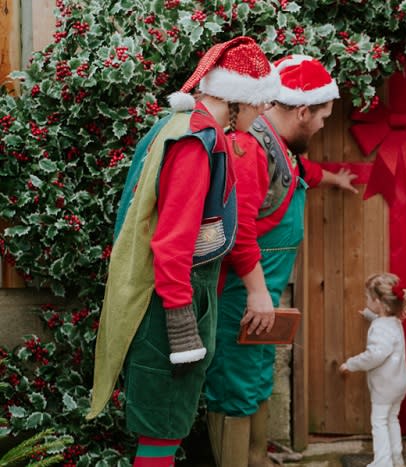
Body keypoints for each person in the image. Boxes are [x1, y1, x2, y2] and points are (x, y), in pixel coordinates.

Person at [86, 36, 275, 466]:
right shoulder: (196, 141)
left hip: (180, 293)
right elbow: (172, 241)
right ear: (237, 98)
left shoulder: (187, 127)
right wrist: (181, 320)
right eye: (261, 101)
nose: (265, 110)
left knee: (165, 426)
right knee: (162, 428)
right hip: (173, 298)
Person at [203, 55, 357, 466]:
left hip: (262, 299)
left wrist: (333, 179)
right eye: (323, 115)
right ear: (303, 111)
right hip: (242, 297)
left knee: (255, 384)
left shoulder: (279, 146)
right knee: (234, 390)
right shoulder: (251, 147)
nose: (325, 124)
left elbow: (299, 170)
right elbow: (239, 231)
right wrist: (256, 294)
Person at [338, 273, 406, 467]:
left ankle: (382, 463)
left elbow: (375, 355)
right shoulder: (394, 321)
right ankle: (396, 458)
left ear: (379, 302)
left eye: (368, 298)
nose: (366, 300)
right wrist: (371, 316)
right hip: (400, 382)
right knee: (391, 419)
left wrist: (351, 364)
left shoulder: (381, 327)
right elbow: (383, 325)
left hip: (385, 386)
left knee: (379, 422)